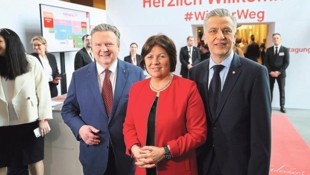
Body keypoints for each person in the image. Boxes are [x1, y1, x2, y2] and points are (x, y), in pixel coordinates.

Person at [189, 8, 272, 175]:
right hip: (201, 164)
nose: (220, 36)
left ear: (234, 34)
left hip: (238, 166)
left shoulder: (255, 73)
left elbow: (261, 137)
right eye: (213, 31)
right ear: (204, 36)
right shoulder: (195, 73)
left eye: (226, 30)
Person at [61, 23, 145, 175]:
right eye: (98, 44)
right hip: (94, 154)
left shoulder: (136, 73)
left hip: (128, 155)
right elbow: (68, 110)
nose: (104, 49)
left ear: (118, 46)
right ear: (91, 47)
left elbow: (144, 112)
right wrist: (80, 128)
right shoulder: (79, 76)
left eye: (109, 44)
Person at [123, 34, 207, 175]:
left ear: (171, 58)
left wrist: (165, 151)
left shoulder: (188, 88)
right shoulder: (137, 89)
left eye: (161, 56)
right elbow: (129, 126)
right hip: (143, 166)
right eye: (149, 57)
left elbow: (198, 134)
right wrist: (134, 149)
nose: (155, 62)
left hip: (177, 167)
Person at [0, 28, 52, 175]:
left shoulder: (30, 62)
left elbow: (43, 91)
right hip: (2, 122)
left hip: (29, 120)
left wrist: (44, 119)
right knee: (2, 161)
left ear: (11, 43)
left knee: (34, 159)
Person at [264, 33, 290, 113]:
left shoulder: (285, 50)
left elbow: (286, 63)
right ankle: (269, 106)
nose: (276, 39)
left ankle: (282, 106)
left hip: (281, 74)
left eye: (277, 38)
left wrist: (279, 72)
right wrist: (270, 72)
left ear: (280, 39)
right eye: (274, 38)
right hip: (270, 74)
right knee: (269, 90)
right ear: (272, 40)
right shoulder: (269, 50)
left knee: (282, 90)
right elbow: (266, 62)